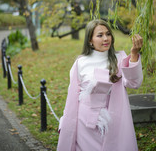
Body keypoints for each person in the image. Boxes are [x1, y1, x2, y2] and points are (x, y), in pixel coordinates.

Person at [57, 19, 143, 151]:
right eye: (100, 35)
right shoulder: (80, 63)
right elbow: (72, 97)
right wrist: (65, 120)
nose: (106, 38)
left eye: (108, 34)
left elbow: (134, 83)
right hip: (83, 125)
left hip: (113, 122)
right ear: (90, 41)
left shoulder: (119, 58)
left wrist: (134, 55)